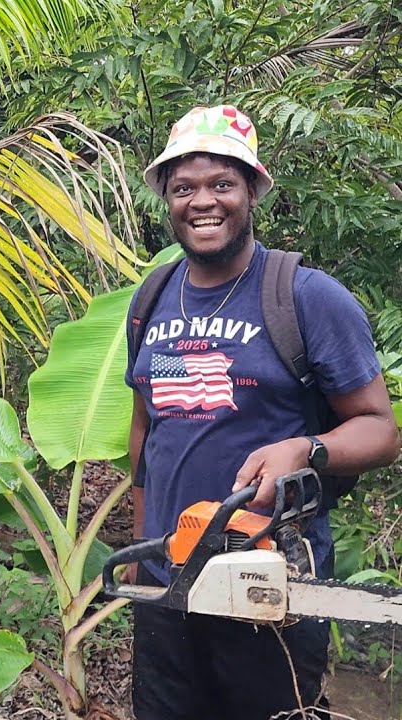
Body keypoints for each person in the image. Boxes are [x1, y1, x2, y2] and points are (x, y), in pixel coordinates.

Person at [124, 105, 399, 718]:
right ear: (166, 200)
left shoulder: (304, 296)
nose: (203, 201)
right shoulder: (151, 299)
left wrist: (307, 449)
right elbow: (148, 430)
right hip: (170, 581)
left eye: (222, 184)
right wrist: (143, 551)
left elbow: (382, 431)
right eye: (184, 187)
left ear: (251, 191)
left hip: (267, 586)